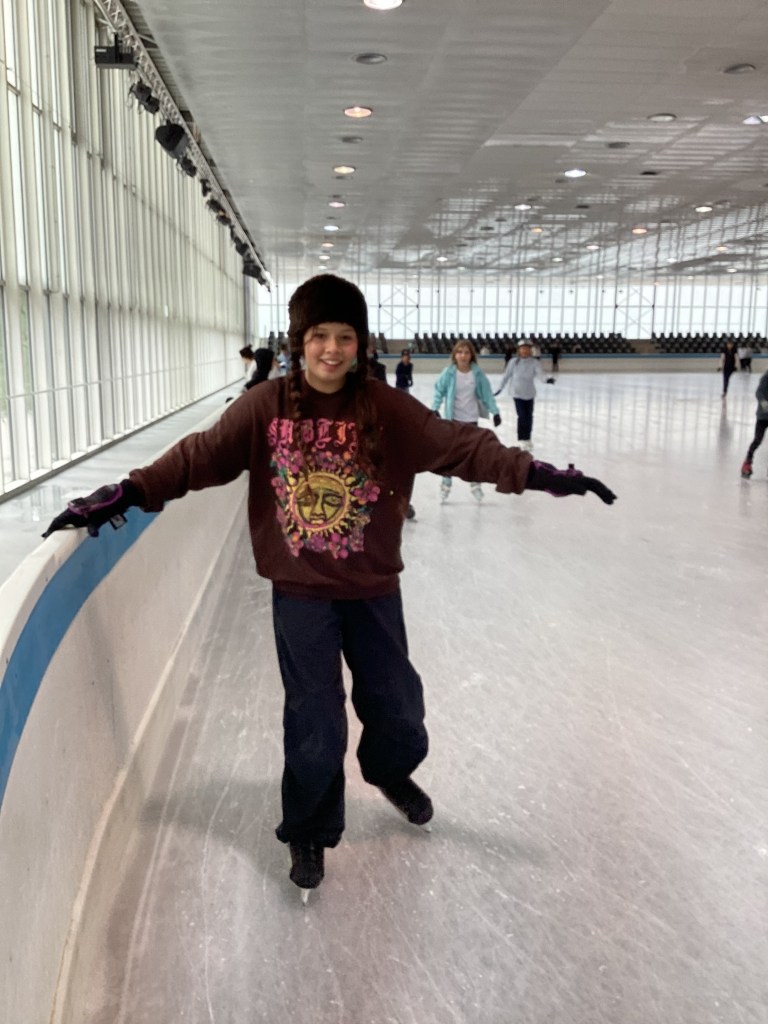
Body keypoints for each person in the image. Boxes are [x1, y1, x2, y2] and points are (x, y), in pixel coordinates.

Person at [41, 274, 616, 899]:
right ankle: (309, 828)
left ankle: (389, 771)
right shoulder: (265, 407)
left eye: (346, 336)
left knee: (398, 706)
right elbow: (198, 456)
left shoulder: (386, 409)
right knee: (315, 721)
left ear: (360, 343)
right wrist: (127, 492)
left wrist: (540, 475)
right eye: (320, 336)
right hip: (302, 592)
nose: (333, 350)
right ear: (300, 341)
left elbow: (461, 447)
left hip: (373, 587)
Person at [431, 340, 501, 503]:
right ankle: (446, 485)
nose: (463, 355)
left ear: (471, 355)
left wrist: (495, 412)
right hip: (453, 420)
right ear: (455, 355)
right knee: (450, 455)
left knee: (473, 455)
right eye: (460, 352)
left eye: (466, 352)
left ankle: (475, 484)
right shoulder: (449, 373)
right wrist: (435, 408)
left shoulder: (477, 373)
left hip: (471, 420)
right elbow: (439, 391)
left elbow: (487, 394)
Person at [495, 338, 552, 452]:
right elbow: (506, 376)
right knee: (522, 416)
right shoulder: (513, 362)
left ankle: (528, 438)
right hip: (517, 394)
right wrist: (500, 388)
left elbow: (540, 374)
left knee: (529, 417)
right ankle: (521, 439)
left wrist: (547, 380)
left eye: (527, 349)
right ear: (519, 350)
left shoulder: (534, 362)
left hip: (529, 394)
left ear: (530, 350)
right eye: (522, 349)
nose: (525, 351)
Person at [740, 368, 768, 478]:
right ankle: (747, 461)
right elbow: (759, 392)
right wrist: (764, 402)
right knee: (757, 440)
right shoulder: (766, 377)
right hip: (763, 416)